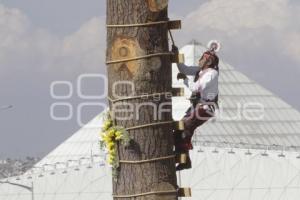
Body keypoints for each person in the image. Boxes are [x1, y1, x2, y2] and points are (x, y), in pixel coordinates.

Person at [175, 40, 221, 171]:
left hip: (205, 108)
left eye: (203, 58)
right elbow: (184, 69)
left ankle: (182, 156)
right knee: (180, 129)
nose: (200, 60)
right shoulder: (200, 71)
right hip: (198, 107)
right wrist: (176, 54)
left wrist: (184, 79)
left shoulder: (211, 73)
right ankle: (183, 158)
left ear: (209, 61)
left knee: (184, 126)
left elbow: (196, 88)